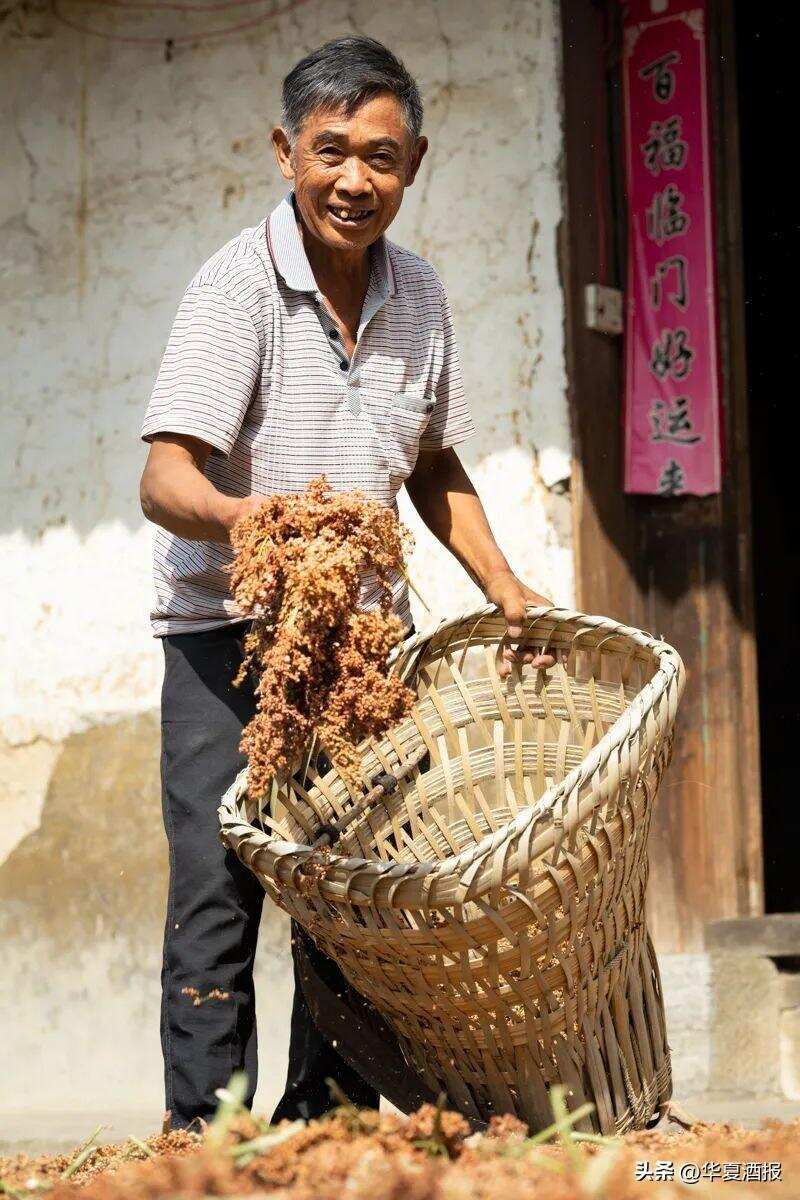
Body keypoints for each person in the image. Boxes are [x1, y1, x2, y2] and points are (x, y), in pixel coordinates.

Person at [139, 34, 554, 1131]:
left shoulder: (416, 294)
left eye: (382, 157)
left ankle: (325, 1133)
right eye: (331, 152)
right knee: (217, 903)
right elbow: (163, 476)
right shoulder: (237, 287)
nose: (354, 181)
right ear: (286, 151)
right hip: (226, 641)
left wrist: (509, 590)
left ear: (412, 165)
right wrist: (257, 525)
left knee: (352, 907)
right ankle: (209, 1141)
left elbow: (432, 463)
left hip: (361, 656)